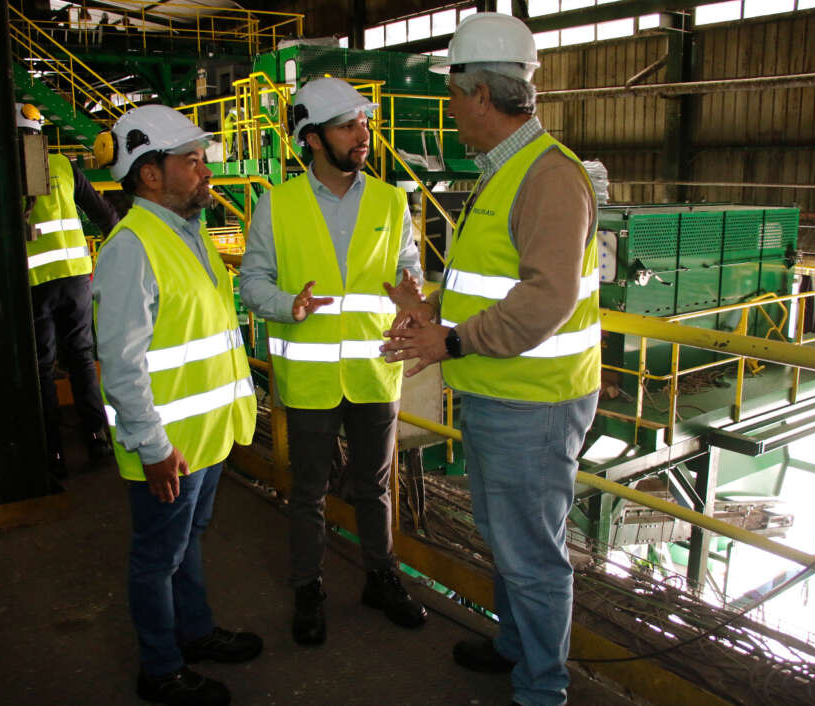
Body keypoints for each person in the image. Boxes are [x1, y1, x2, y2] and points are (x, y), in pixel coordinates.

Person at [381, 13, 600, 706]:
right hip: (500, 389)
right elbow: (500, 284)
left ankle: (542, 689)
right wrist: (436, 312)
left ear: (480, 94)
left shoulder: (549, 178)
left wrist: (449, 340)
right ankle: (515, 648)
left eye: (452, 96)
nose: (451, 111)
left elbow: (545, 301)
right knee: (507, 537)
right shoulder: (505, 173)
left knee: (532, 555)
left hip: (533, 401)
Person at [239, 77, 427, 646]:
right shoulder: (278, 205)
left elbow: (408, 264)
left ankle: (380, 577)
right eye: (349, 126)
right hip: (311, 377)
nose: (363, 135)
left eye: (364, 123)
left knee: (373, 487)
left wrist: (411, 292)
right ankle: (308, 588)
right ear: (313, 138)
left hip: (374, 370)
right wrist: (286, 305)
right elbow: (251, 282)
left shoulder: (392, 202)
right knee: (308, 490)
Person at [91, 104, 261, 706]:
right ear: (150, 175)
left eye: (202, 160)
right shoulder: (131, 248)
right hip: (168, 447)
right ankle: (159, 668)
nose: (204, 171)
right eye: (191, 162)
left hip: (205, 436)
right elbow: (122, 364)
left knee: (187, 542)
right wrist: (154, 446)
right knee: (156, 557)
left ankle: (195, 632)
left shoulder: (185, 235)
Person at [15, 103, 117, 476]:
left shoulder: (1, 170)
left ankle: (51, 454)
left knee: (41, 366)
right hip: (76, 279)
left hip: (34, 284)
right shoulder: (62, 165)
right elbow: (105, 215)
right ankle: (97, 440)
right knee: (81, 359)